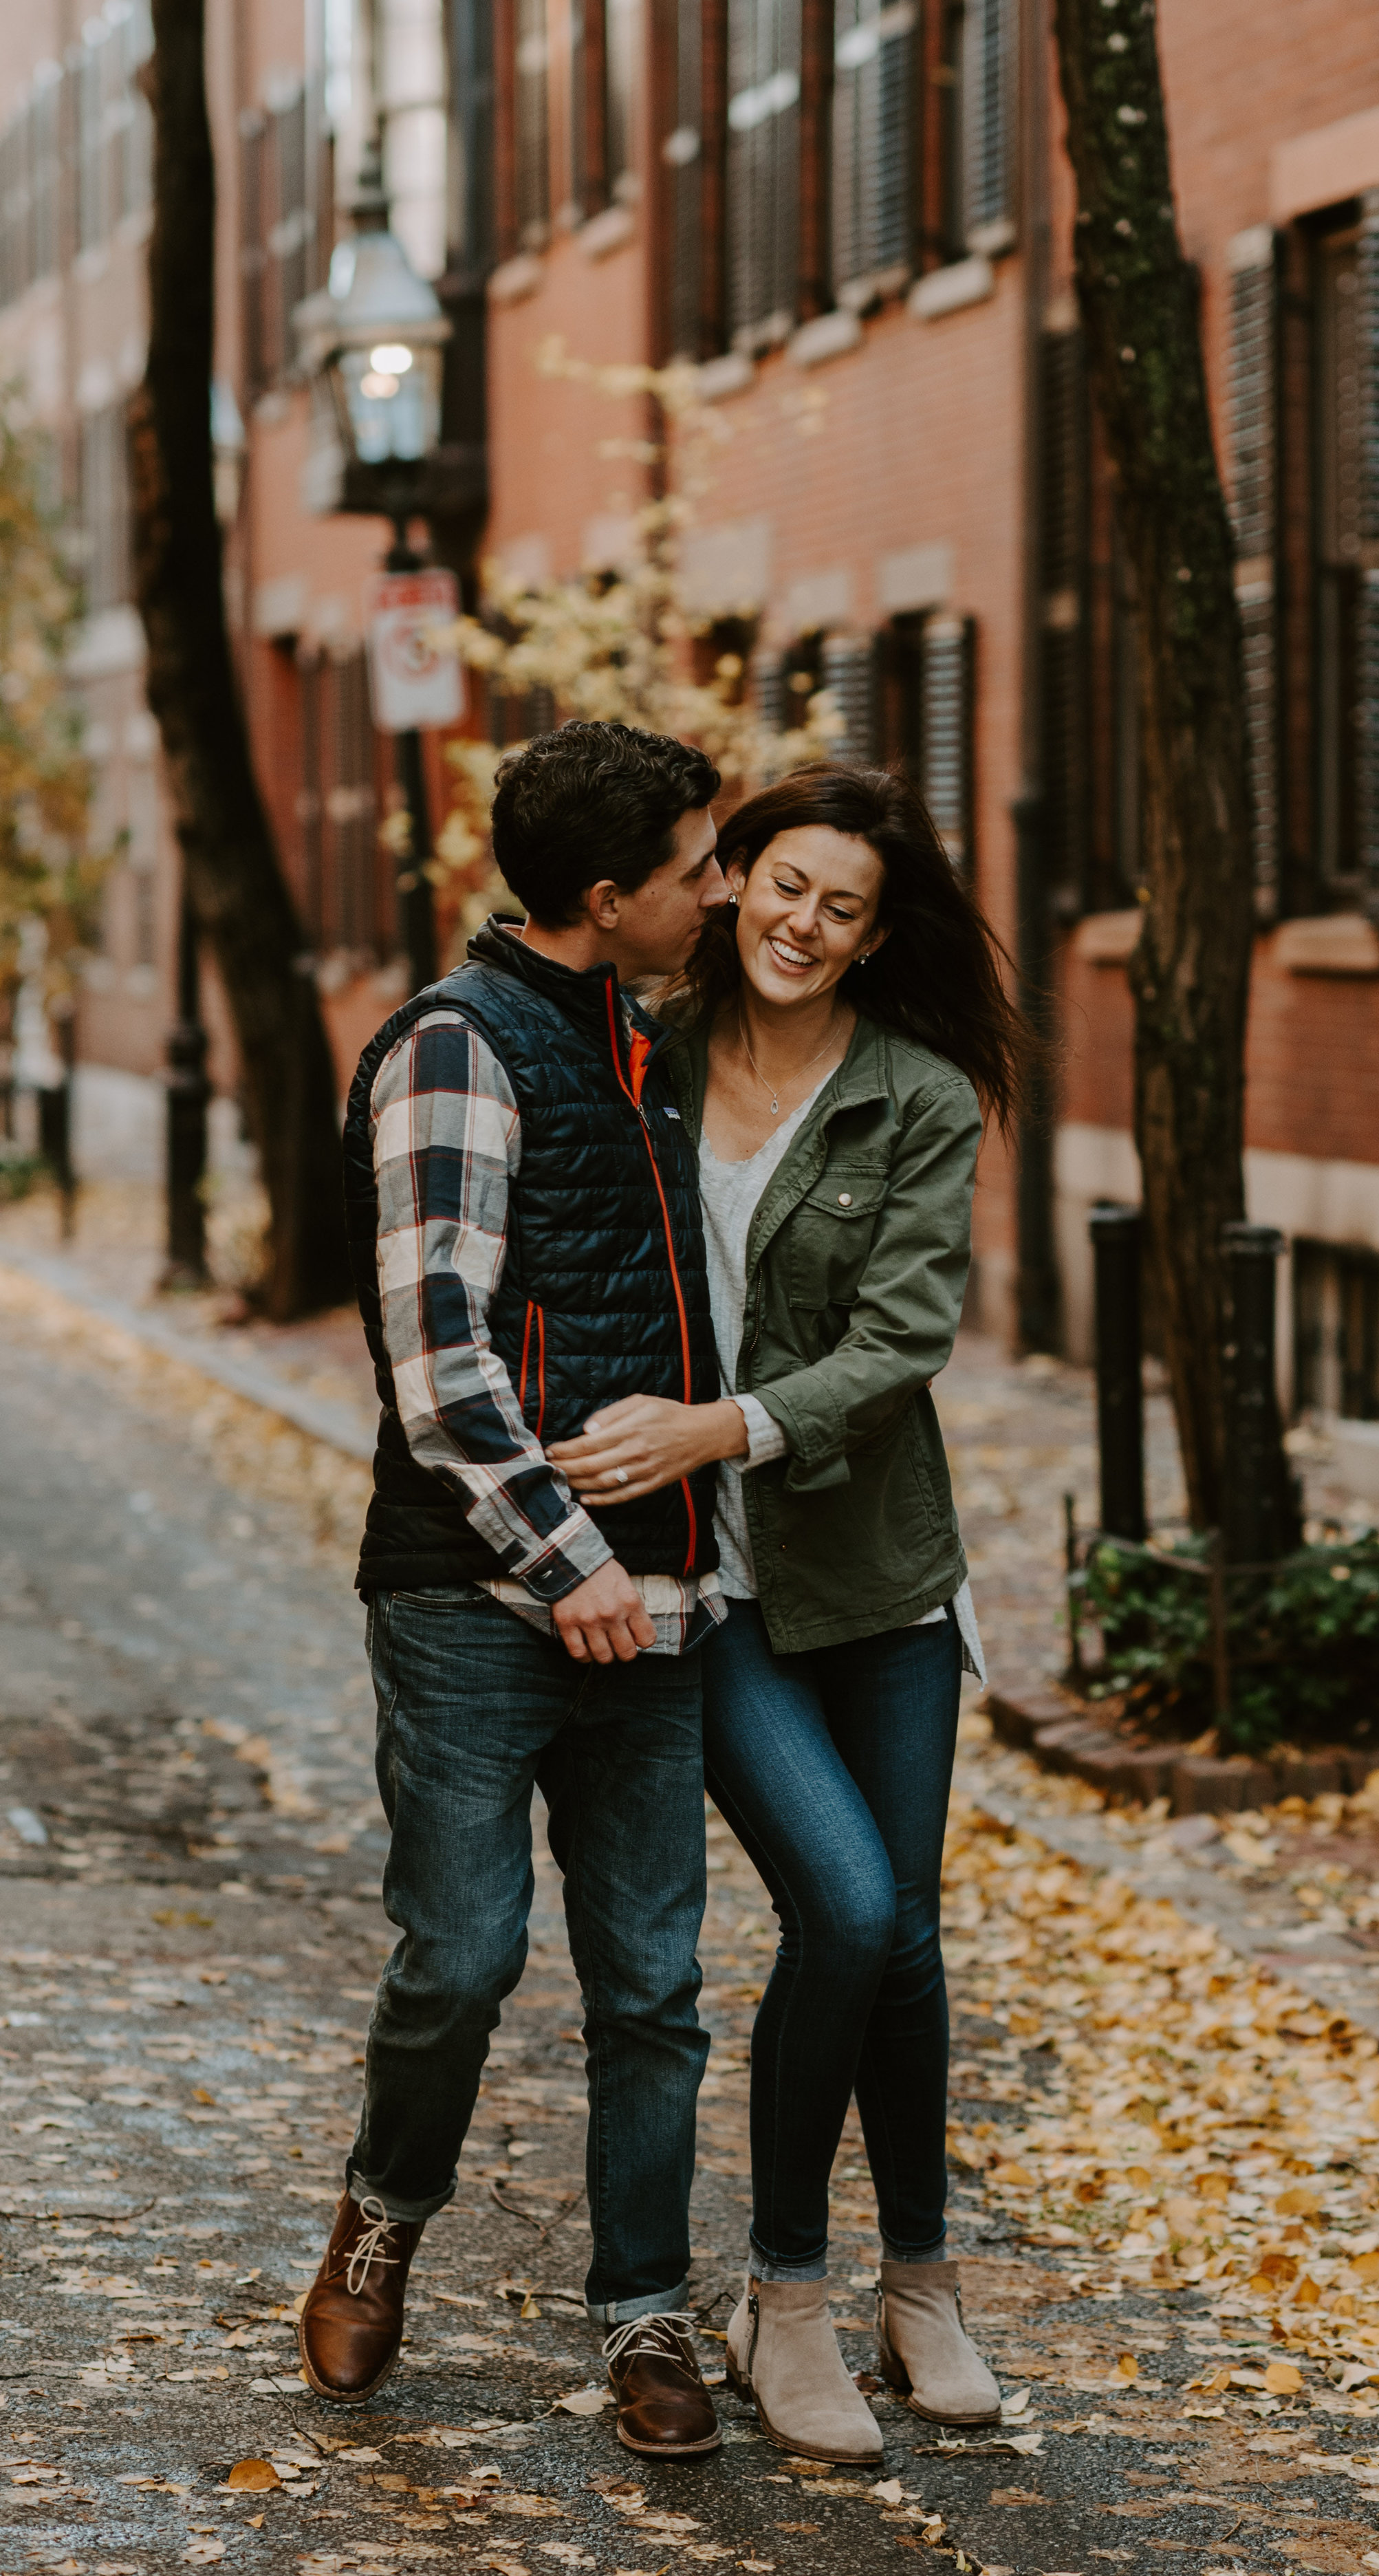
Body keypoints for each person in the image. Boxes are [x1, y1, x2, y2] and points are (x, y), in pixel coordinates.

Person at [550, 763, 1030, 2464]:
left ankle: (922, 2286)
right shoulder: (637, 1055)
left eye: (845, 906)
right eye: (781, 884)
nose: (803, 925)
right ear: (731, 878)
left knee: (905, 1936)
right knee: (842, 1901)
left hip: (875, 1575)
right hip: (711, 1577)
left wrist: (723, 1420)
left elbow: (898, 1342)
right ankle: (787, 2293)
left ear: (875, 931)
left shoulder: (914, 1095)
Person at [299, 720, 759, 2463]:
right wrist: (566, 1564)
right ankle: (381, 2210)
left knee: (651, 1980)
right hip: (474, 1607)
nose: (718, 891)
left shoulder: (641, 1041)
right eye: (700, 866)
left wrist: (672, 1559)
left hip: (650, 1610)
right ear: (604, 893)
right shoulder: (451, 1050)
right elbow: (441, 1368)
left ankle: (645, 2305)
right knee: (464, 1954)